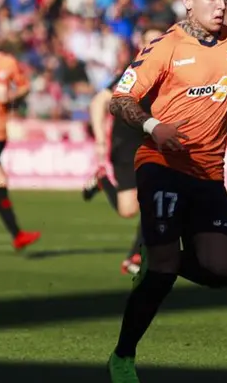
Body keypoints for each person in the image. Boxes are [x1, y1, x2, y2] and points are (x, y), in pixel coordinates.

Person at [106, 0, 227, 383]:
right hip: (162, 165)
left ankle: (154, 256)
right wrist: (153, 125)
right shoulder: (165, 47)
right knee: (167, 269)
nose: (221, 4)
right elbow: (120, 99)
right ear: (188, 1)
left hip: (209, 175)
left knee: (221, 272)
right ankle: (123, 356)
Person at [83, 26, 166, 275]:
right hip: (125, 147)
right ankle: (102, 181)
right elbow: (99, 101)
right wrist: (100, 139)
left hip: (153, 148)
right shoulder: (130, 75)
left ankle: (134, 257)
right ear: (141, 46)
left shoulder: (173, 76)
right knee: (128, 210)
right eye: (149, 42)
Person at [0, 13, 41, 250]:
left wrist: (10, 96)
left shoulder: (6, 63)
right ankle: (17, 234)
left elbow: (24, 87)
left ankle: (17, 235)